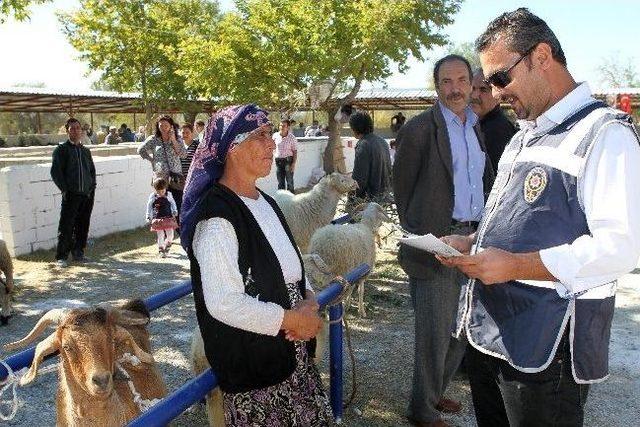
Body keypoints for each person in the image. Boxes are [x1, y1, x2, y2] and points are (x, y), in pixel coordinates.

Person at [437, 8, 640, 427]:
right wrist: (474, 245)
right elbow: (524, 223)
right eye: (486, 83)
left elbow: (622, 245)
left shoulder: (606, 133)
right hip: (493, 333)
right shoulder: (526, 134)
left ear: (542, 56)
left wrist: (514, 266)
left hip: (546, 345)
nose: (492, 92)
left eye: (499, 79)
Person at [180, 104, 333, 426]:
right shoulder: (218, 218)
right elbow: (223, 301)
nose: (272, 143)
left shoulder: (265, 202)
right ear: (232, 148)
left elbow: (290, 267)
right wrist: (290, 318)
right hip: (258, 374)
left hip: (292, 357)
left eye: (270, 134)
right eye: (261, 135)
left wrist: (308, 299)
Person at [393, 54, 494, 427]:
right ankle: (421, 410)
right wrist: (424, 236)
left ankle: (434, 393)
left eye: (461, 80)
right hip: (438, 245)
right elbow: (401, 188)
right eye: (447, 82)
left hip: (474, 238)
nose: (455, 88)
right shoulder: (420, 129)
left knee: (463, 326)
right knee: (434, 332)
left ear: (471, 84)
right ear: (437, 87)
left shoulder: (474, 126)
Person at [50, 118, 97, 268]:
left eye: (78, 128)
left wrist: (92, 187)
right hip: (71, 194)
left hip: (87, 194)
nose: (76, 130)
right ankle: (62, 256)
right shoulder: (61, 150)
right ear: (67, 131)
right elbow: (56, 172)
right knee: (66, 225)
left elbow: (91, 171)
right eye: (72, 128)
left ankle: (78, 253)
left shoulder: (85, 150)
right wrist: (65, 190)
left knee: (83, 224)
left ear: (81, 131)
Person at [137, 115, 187, 216]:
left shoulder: (178, 139)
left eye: (166, 125)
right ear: (158, 126)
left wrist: (173, 139)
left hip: (175, 176)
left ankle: (178, 228)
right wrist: (151, 160)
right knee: (162, 204)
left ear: (171, 126)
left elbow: (183, 154)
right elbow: (140, 150)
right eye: (161, 125)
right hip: (160, 176)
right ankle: (165, 228)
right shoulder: (154, 139)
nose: (163, 128)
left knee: (177, 202)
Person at [470, 69, 517, 170]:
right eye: (472, 88)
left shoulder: (497, 131)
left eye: (483, 90)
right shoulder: (475, 125)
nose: (474, 95)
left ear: (497, 96)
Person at [349, 111, 391, 202]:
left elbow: (359, 178)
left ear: (355, 128)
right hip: (384, 196)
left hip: (370, 201)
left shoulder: (363, 145)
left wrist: (351, 198)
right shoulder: (382, 141)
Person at [146, 177, 178, 258]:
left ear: (165, 188)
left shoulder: (169, 195)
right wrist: (148, 216)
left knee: (170, 234)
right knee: (160, 234)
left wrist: (175, 210)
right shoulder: (152, 196)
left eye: (162, 191)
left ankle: (168, 242)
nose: (160, 193)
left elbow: (173, 203)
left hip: (168, 218)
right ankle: (161, 249)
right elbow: (149, 206)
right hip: (157, 219)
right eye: (158, 191)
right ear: (155, 189)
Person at [273, 119, 298, 193]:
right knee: (280, 182)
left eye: (284, 126)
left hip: (288, 161)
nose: (281, 127)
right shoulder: (275, 135)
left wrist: (293, 164)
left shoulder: (292, 138)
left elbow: (295, 151)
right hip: (278, 161)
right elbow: (272, 147)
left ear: (288, 127)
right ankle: (281, 200)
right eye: (280, 125)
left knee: (289, 182)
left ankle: (291, 201)